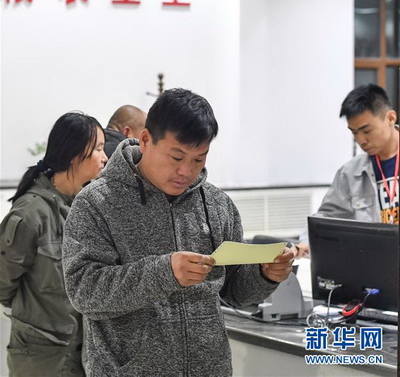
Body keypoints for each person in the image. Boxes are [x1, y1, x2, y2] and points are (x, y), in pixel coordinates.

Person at [62, 88, 293, 377]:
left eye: (198, 159)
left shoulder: (217, 204)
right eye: (176, 157)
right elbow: (84, 292)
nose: (186, 171)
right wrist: (164, 273)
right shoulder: (97, 203)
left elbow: (235, 293)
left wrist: (264, 275)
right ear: (145, 140)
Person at [0, 112, 108, 377]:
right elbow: (2, 284)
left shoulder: (89, 209)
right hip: (41, 361)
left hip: (84, 358)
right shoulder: (30, 214)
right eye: (98, 149)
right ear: (74, 154)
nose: (105, 157)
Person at [296, 84, 399, 258]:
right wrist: (306, 243)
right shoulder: (350, 173)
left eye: (367, 131)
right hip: (376, 264)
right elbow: (326, 218)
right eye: (354, 133)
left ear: (390, 118)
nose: (361, 140)